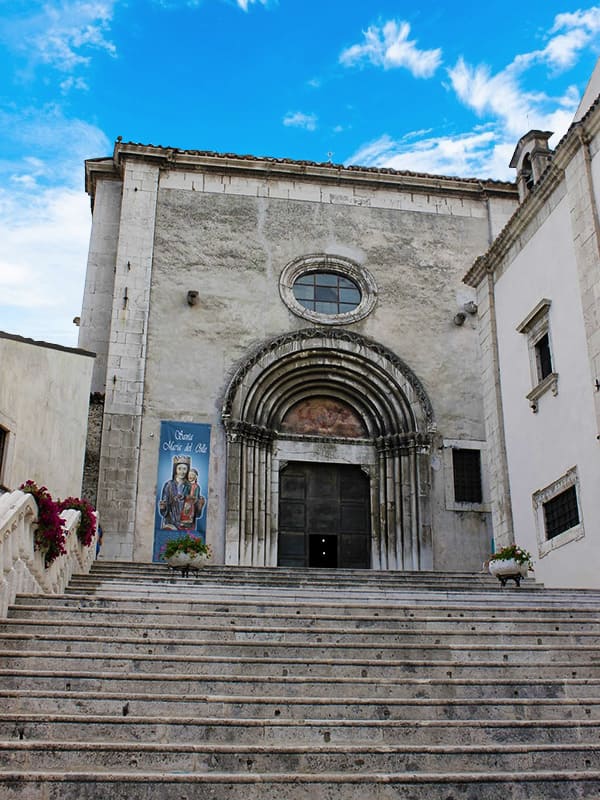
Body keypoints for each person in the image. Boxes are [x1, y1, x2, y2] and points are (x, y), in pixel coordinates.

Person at [159, 458, 190, 529]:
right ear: (175, 470)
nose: (182, 472)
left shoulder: (189, 486)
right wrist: (163, 507)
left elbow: (195, 510)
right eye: (179, 468)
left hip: (185, 523)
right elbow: (164, 507)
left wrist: (199, 505)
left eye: (184, 469)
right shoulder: (169, 485)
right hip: (171, 522)